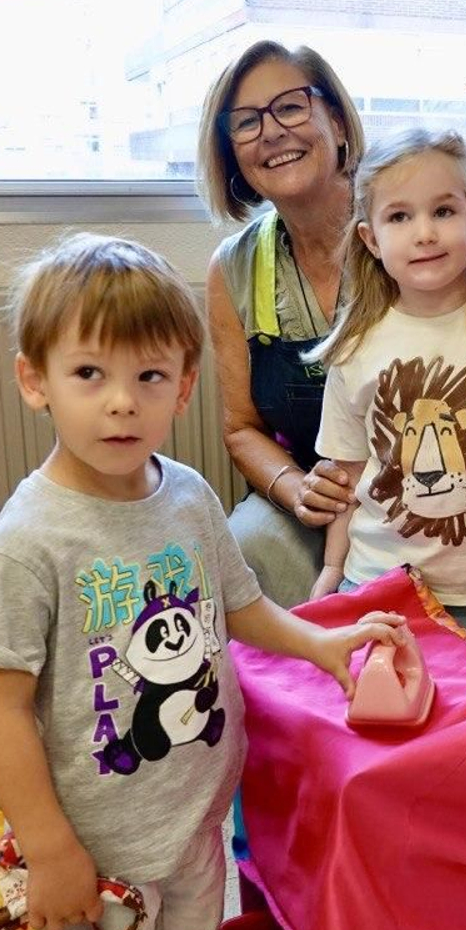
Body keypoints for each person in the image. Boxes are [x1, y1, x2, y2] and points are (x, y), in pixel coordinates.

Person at [0, 234, 405, 930]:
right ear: (35, 382)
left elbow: (238, 605)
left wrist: (320, 644)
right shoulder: (26, 543)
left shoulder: (189, 496)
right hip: (92, 841)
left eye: (150, 375)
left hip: (191, 815)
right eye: (89, 374)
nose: (123, 402)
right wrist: (47, 846)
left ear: (185, 386)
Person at [308, 129, 466, 662]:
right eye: (399, 217)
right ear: (371, 240)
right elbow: (347, 476)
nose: (424, 233)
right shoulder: (355, 348)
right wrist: (333, 572)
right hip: (379, 585)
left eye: (444, 211)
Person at [200, 41, 365, 608]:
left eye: (291, 107)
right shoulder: (232, 268)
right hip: (307, 503)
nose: (271, 132)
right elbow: (241, 428)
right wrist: (298, 493)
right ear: (232, 155)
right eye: (246, 123)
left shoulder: (408, 231)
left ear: (337, 123)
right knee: (242, 550)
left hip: (414, 495)